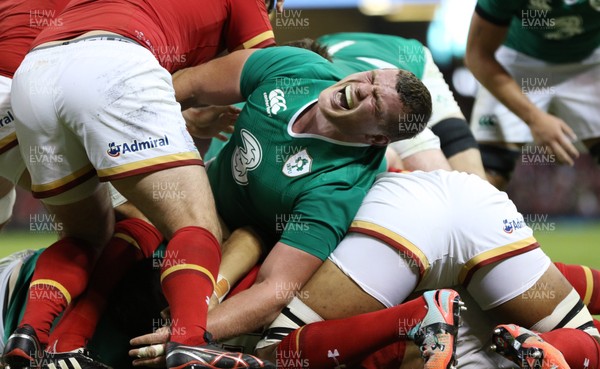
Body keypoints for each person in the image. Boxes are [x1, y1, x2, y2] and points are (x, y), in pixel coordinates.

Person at [4, 1, 277, 369]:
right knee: (193, 223)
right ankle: (190, 342)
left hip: (33, 76)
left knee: (87, 234)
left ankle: (32, 339)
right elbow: (269, 70)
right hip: (109, 62)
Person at [170, 45, 432, 345]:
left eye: (375, 102)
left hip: (236, 235)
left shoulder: (339, 189)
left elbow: (273, 290)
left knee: (249, 237)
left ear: (376, 138)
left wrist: (185, 338)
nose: (361, 89)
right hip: (198, 187)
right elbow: (188, 84)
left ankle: (201, 301)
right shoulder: (298, 68)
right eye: (371, 78)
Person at [253, 170, 600, 369]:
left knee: (274, 354)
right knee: (589, 338)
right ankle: (543, 345)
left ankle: (422, 315)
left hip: (397, 212)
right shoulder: (409, 83)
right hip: (477, 198)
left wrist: (199, 332)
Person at [465, 0, 600, 189]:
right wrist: (534, 118)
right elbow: (477, 54)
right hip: (517, 59)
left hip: (591, 59)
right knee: (486, 176)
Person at [313, 32, 485, 177]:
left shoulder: (318, 75)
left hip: (409, 64)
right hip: (383, 56)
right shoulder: (312, 68)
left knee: (455, 181)